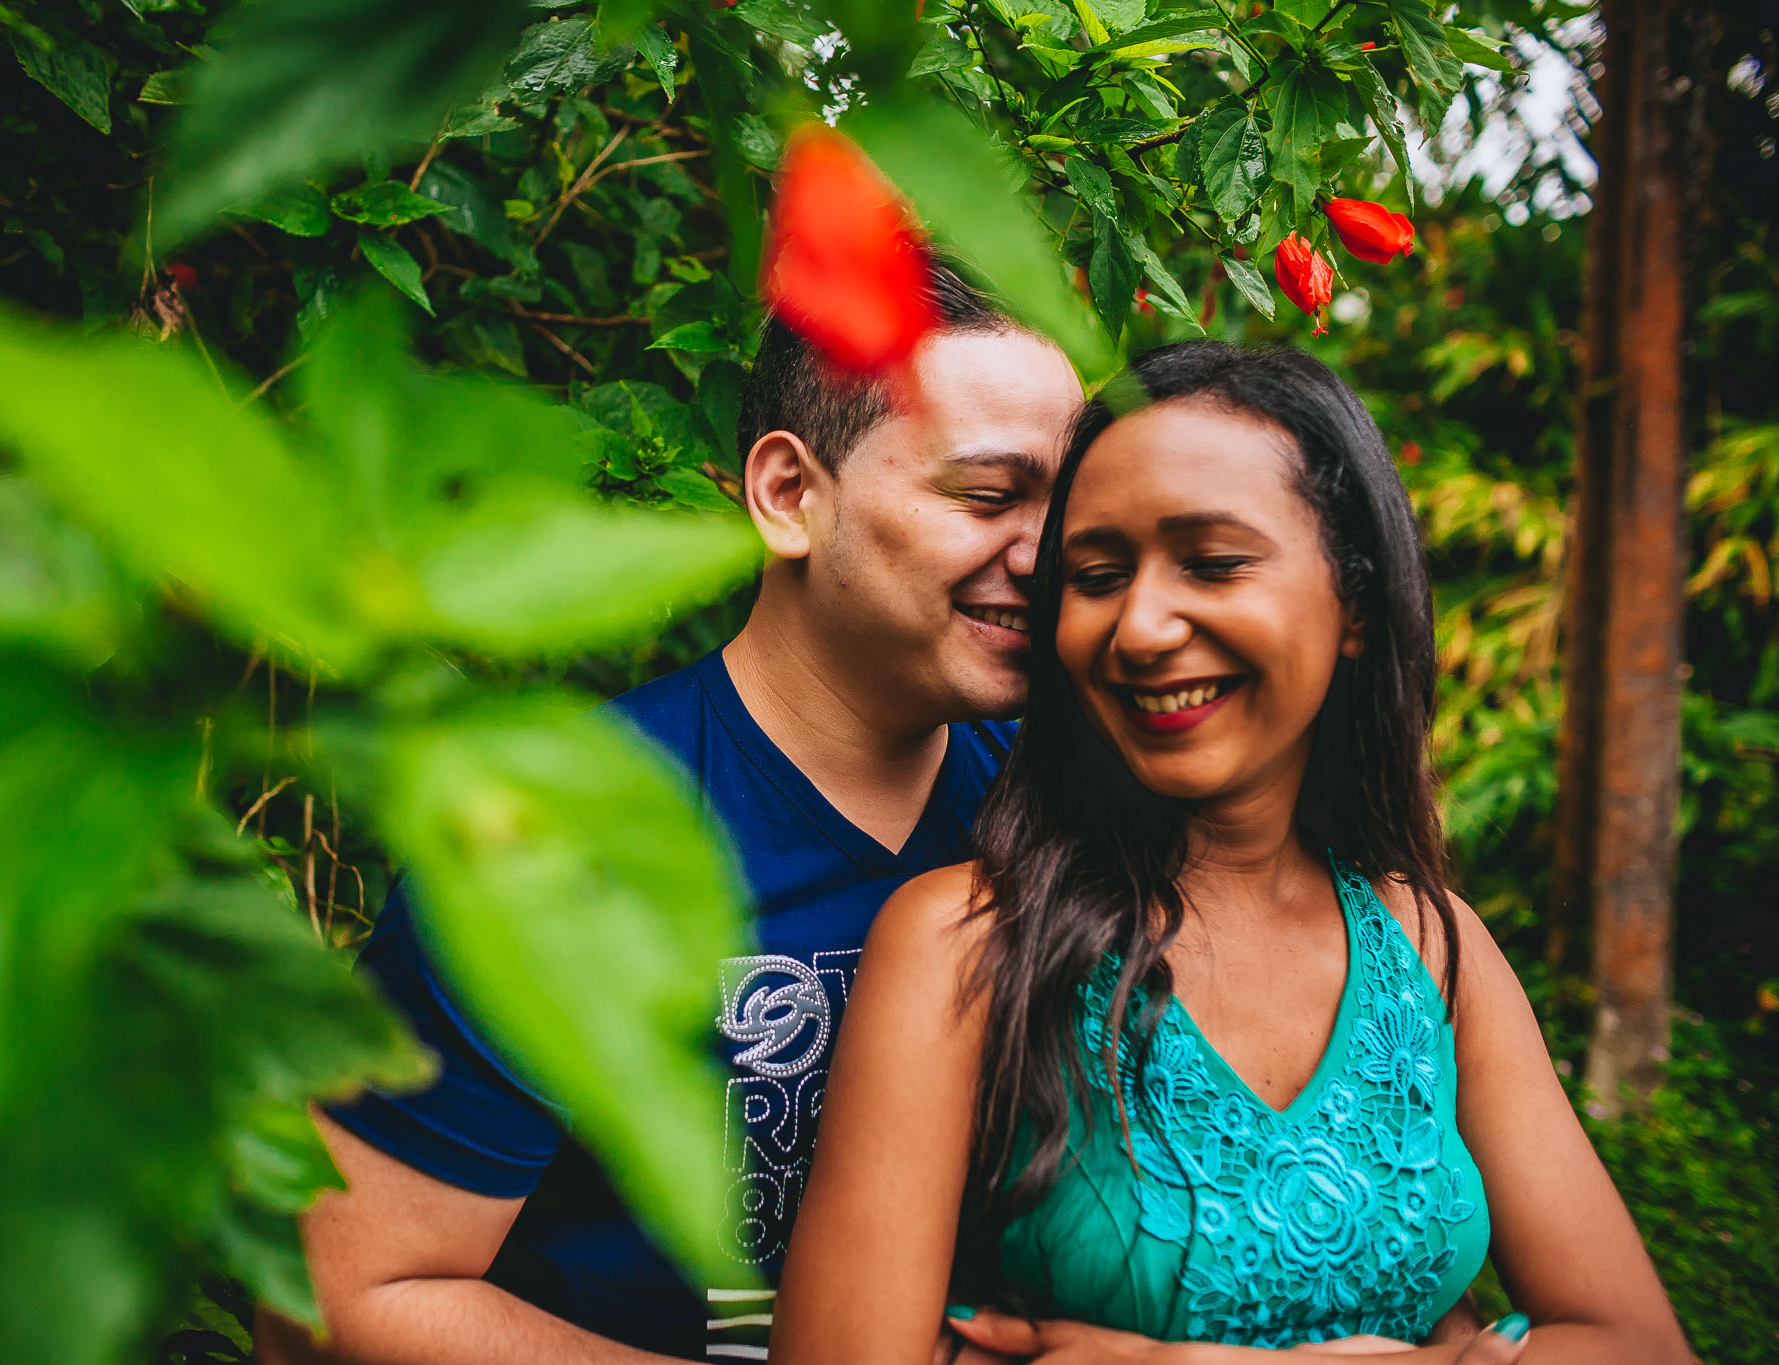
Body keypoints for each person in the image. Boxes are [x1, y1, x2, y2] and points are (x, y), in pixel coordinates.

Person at [769, 341, 1695, 1364]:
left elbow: (1636, 1341)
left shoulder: (1429, 946)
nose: (1140, 627)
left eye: (1211, 564)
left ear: (1351, 602)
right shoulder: (964, 945)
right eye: (1096, 576)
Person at [252, 261, 1087, 1365]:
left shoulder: (1059, 801)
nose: (1048, 558)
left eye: (1064, 507)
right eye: (986, 498)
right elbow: (332, 1300)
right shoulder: (563, 832)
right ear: (790, 495)